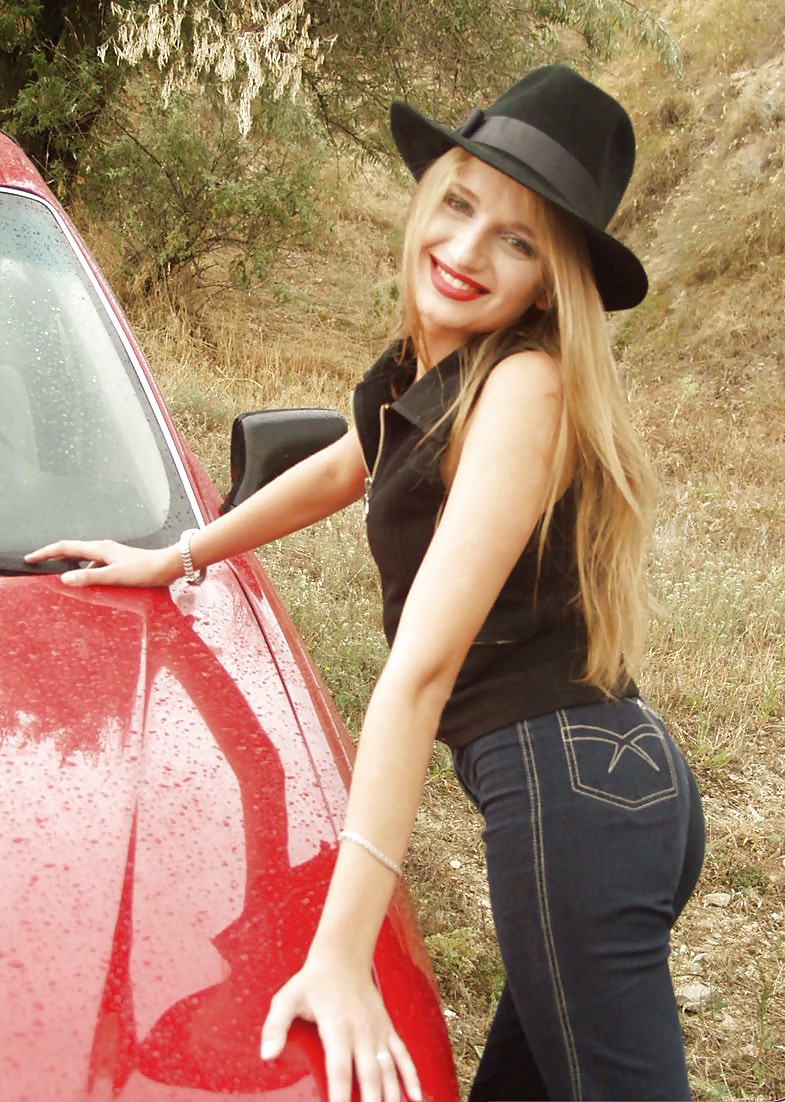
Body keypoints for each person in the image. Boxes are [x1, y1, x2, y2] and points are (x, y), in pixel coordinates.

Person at [27, 65, 705, 1102]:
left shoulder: (526, 384)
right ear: (429, 192)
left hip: (574, 797)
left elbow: (420, 671)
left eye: (518, 239)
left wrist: (343, 949)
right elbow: (343, 466)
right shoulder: (428, 369)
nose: (468, 250)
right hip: (604, 783)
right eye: (462, 204)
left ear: (550, 277)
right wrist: (182, 552)